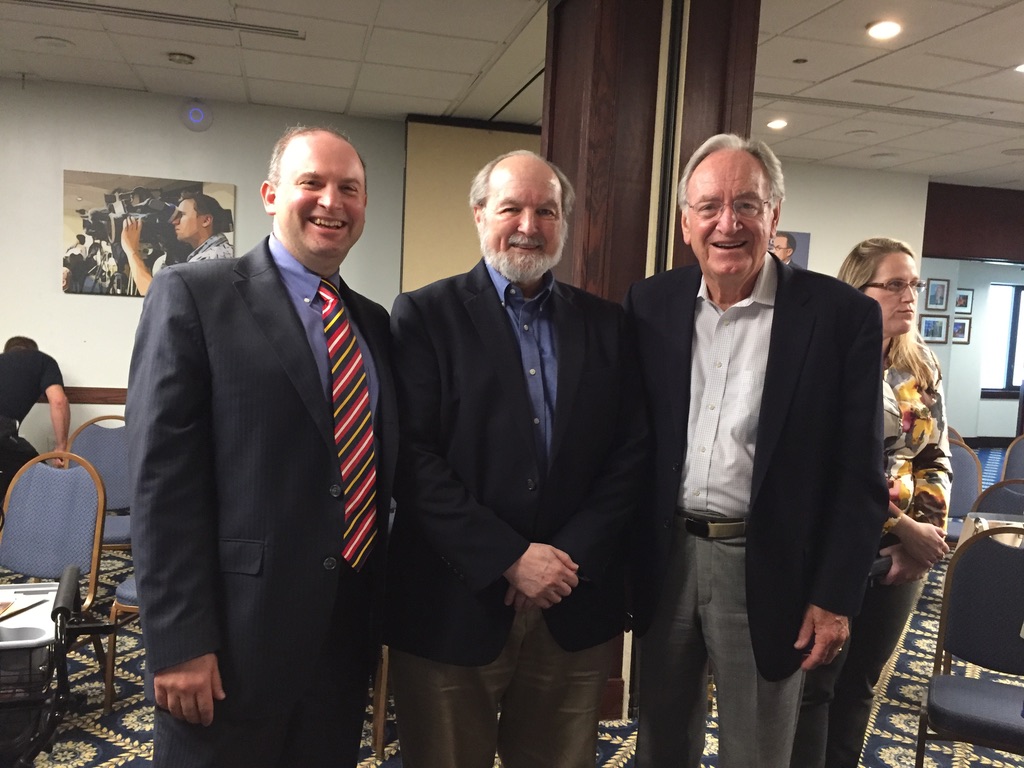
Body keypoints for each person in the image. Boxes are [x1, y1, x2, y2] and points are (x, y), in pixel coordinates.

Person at [126, 126, 397, 768]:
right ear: (272, 194)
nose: (332, 200)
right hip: (228, 646)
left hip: (339, 641)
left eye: (349, 188)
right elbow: (162, 482)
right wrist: (180, 641)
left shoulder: (375, 324)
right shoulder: (194, 295)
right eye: (312, 183)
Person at [625, 133, 889, 767]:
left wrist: (834, 597)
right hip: (666, 561)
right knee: (661, 740)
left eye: (747, 204)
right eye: (710, 205)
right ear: (685, 221)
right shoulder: (650, 305)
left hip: (771, 567)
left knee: (759, 750)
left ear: (774, 215)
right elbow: (631, 445)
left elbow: (860, 475)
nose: (727, 223)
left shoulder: (840, 316)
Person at [385, 149, 648, 768]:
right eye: (511, 207)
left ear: (564, 223)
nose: (528, 224)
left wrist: (561, 561)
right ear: (480, 215)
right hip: (451, 601)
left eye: (546, 211)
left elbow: (630, 455)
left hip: (571, 601)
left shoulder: (607, 325)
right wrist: (508, 558)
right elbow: (412, 459)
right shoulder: (423, 316)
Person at [791, 237, 951, 768]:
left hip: (902, 554)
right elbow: (830, 469)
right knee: (816, 686)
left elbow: (935, 454)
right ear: (857, 289)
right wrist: (904, 527)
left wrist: (922, 537)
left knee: (861, 685)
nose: (910, 296)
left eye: (914, 285)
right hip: (837, 545)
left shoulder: (919, 363)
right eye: (895, 284)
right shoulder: (826, 357)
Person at [121, 191, 234, 296]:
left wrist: (131, 251)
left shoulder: (210, 261)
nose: (175, 222)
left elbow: (158, 298)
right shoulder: (218, 252)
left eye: (182, 215)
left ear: (206, 220)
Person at [0, 336, 70, 494]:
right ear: (33, 351)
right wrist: (61, 447)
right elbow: (59, 401)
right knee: (42, 477)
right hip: (2, 430)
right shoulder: (43, 361)